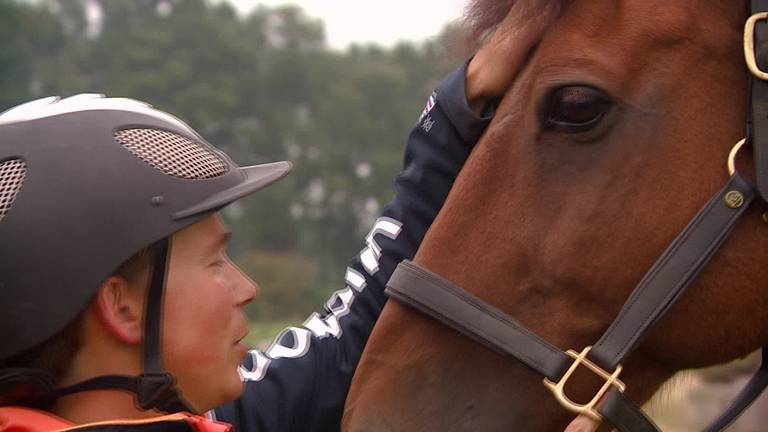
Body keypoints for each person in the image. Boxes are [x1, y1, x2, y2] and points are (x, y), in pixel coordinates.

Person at [0, 7, 557, 429]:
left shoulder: (208, 411)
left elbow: (347, 340)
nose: (247, 288)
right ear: (122, 306)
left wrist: (454, 117)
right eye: (215, 260)